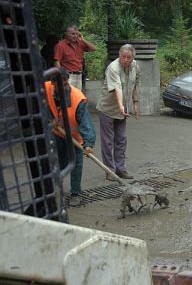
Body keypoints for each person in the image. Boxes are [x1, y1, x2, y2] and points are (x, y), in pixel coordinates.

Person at [45, 68, 96, 206]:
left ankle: (75, 193)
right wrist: (50, 119)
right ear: (53, 82)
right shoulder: (46, 88)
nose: (62, 88)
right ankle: (55, 188)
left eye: (65, 84)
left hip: (75, 137)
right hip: (58, 133)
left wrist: (88, 144)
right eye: (58, 85)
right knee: (57, 162)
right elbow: (39, 105)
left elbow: (86, 124)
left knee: (76, 164)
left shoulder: (77, 99)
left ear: (67, 81)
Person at [96, 44, 140, 180]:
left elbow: (136, 83)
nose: (126, 60)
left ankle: (120, 169)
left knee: (121, 139)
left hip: (122, 110)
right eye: (123, 57)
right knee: (108, 141)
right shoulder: (113, 68)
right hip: (108, 109)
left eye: (129, 57)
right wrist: (120, 105)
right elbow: (118, 88)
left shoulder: (135, 66)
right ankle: (110, 170)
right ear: (119, 55)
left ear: (133, 57)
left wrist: (135, 103)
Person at [54, 25, 96, 91]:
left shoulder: (80, 43)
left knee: (77, 98)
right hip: (68, 76)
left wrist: (83, 39)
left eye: (77, 34)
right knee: (68, 97)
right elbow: (57, 61)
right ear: (66, 34)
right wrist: (61, 76)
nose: (75, 36)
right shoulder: (61, 45)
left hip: (79, 76)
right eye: (73, 34)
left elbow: (93, 48)